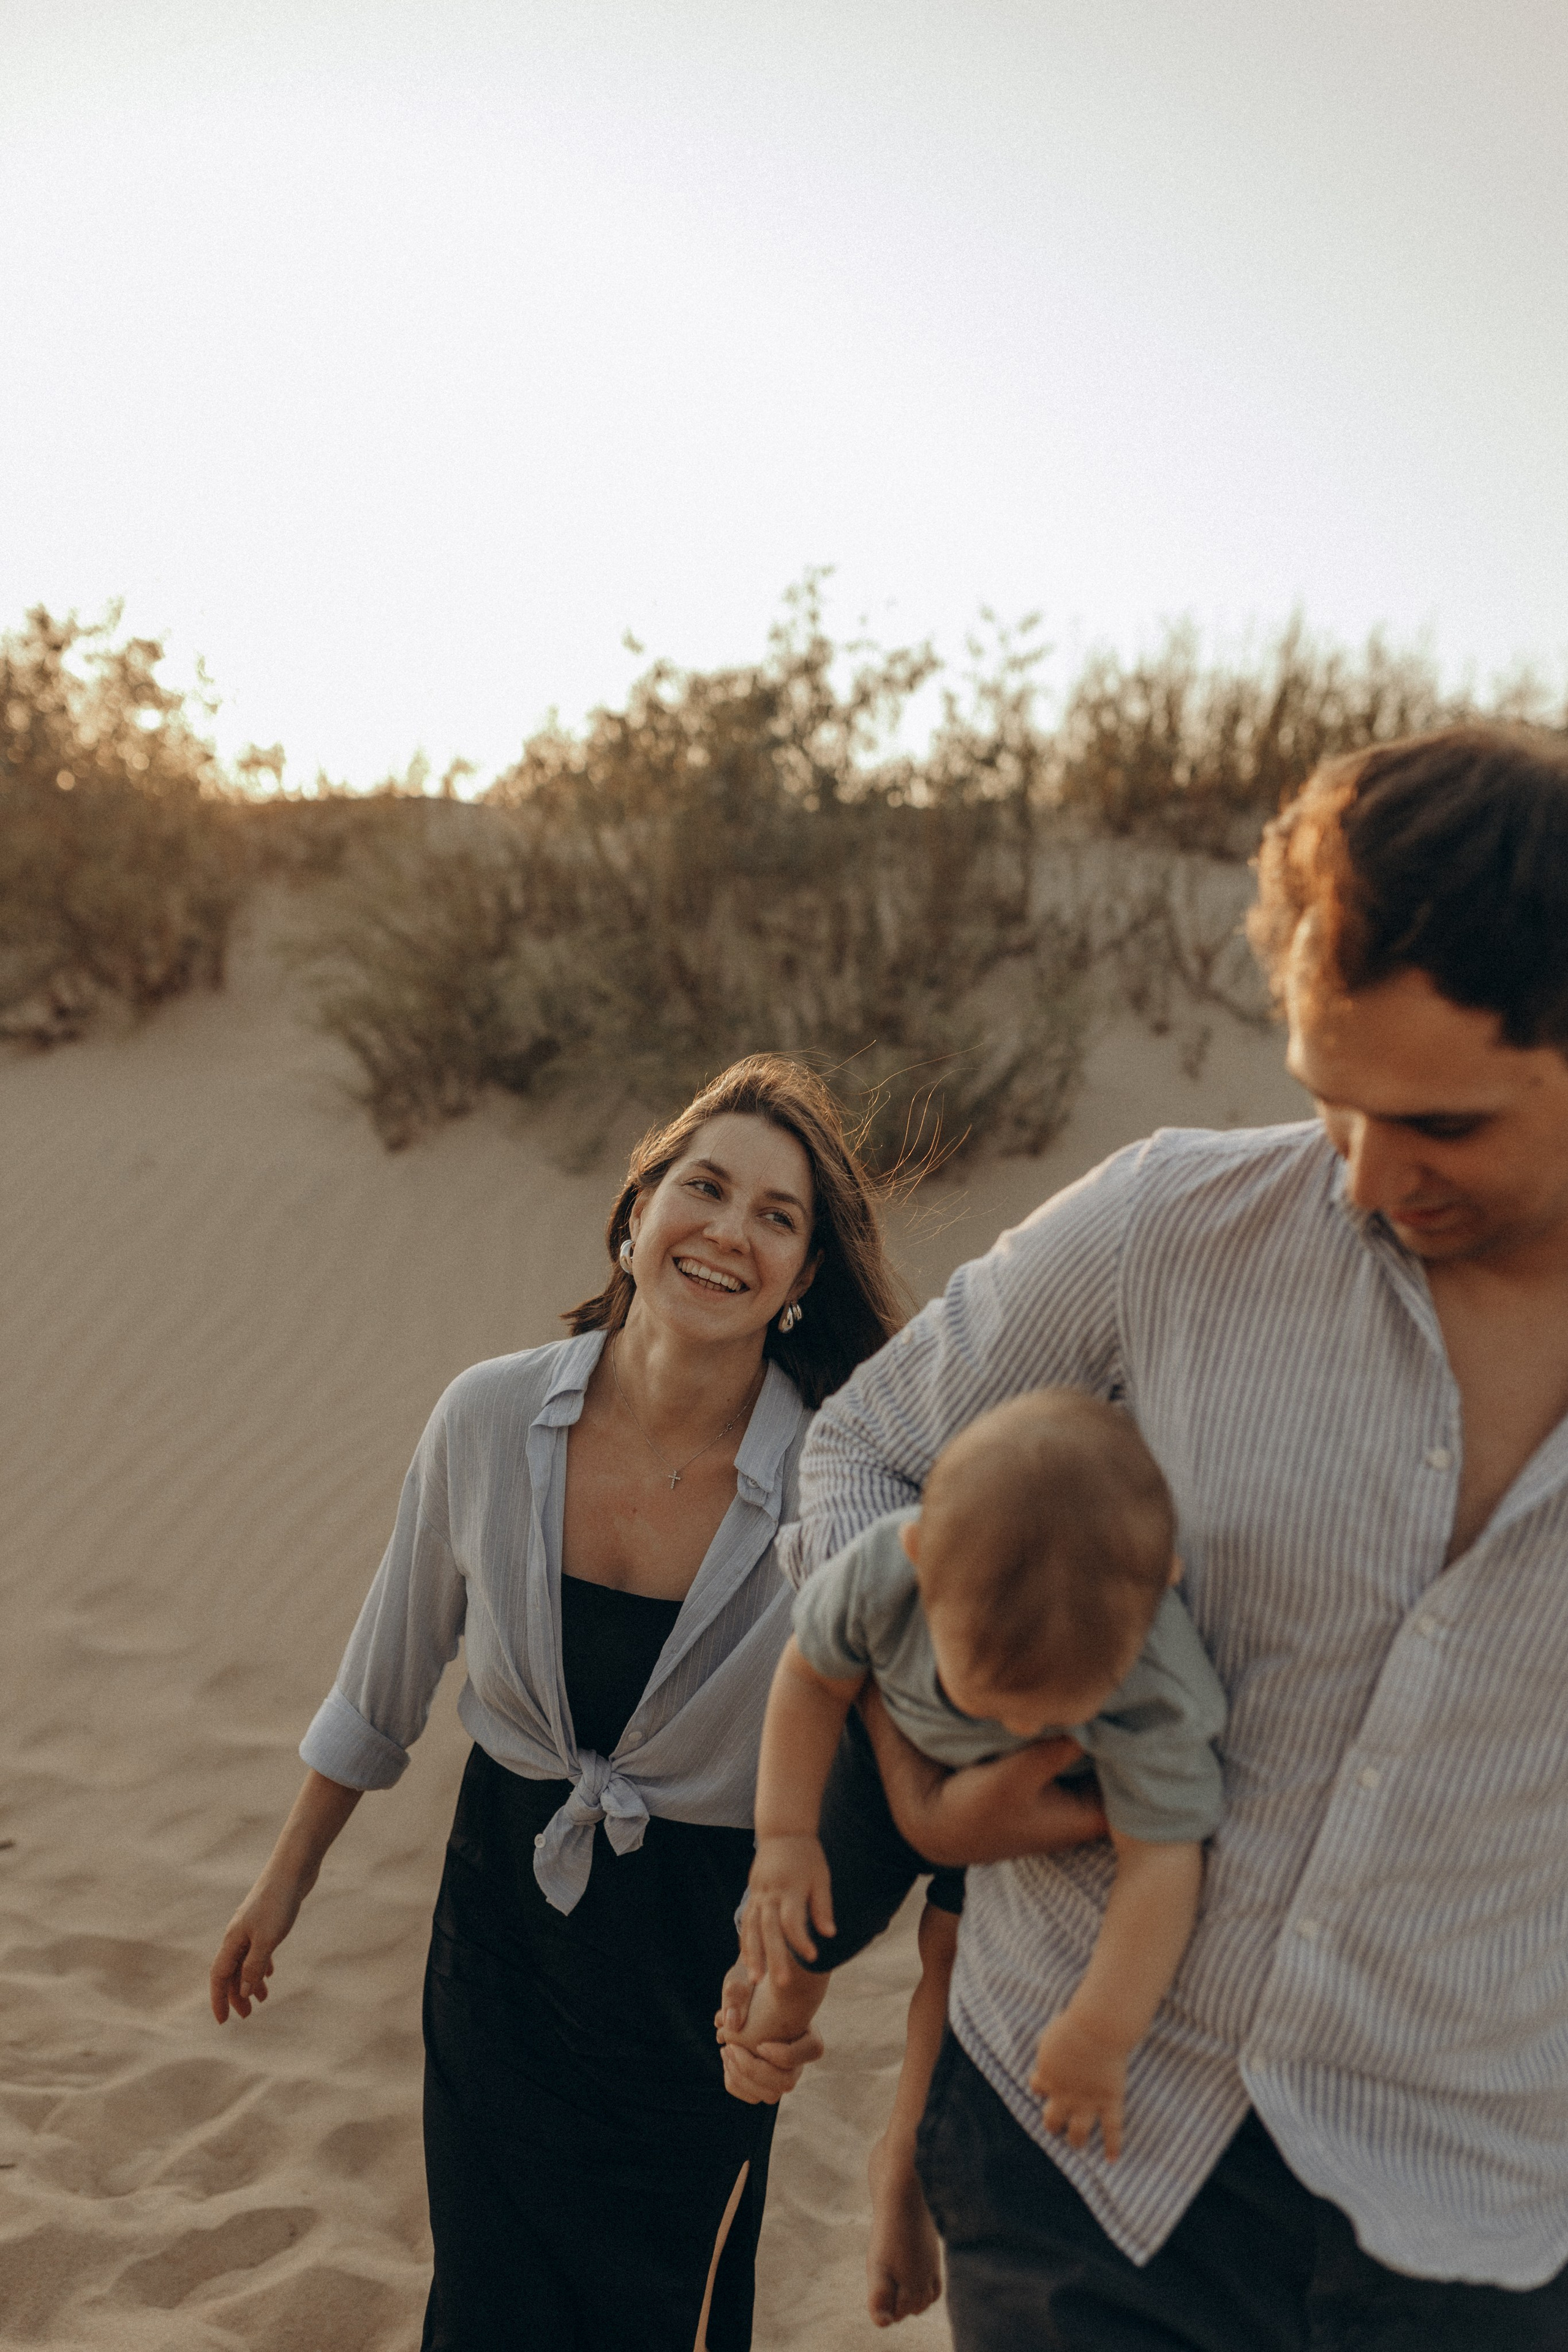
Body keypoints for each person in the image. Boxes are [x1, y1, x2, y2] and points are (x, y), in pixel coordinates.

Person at [765, 725, 1568, 2348]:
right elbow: (867, 1449)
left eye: (1444, 1126)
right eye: (1330, 1104)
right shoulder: (1175, 1225)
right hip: (1076, 2147)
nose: (1364, 1177)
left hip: (1476, 2209)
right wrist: (922, 1768)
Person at [209, 1054, 911, 2352]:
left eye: (777, 1216)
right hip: (500, 1920)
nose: (728, 1232)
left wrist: (791, 1970)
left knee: (673, 2308)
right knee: (488, 2299)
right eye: (703, 1188)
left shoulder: (838, 1473)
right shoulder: (484, 1417)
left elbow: (891, 1759)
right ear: (635, 1212)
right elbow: (388, 1671)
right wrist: (283, 1883)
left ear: (805, 1280)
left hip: (705, 1954)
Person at [729, 1390, 1226, 2317]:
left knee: (950, 1960)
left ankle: (904, 2164)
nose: (1024, 1724)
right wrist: (784, 1839)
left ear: (1162, 1590)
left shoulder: (1160, 1680)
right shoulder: (886, 1569)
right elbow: (812, 1677)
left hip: (1020, 1826)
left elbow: (1165, 1862)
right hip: (881, 1774)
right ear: (918, 1559)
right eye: (993, 1695)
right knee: (806, 1930)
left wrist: (1101, 2030)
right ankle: (773, 2021)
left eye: (1061, 1705)